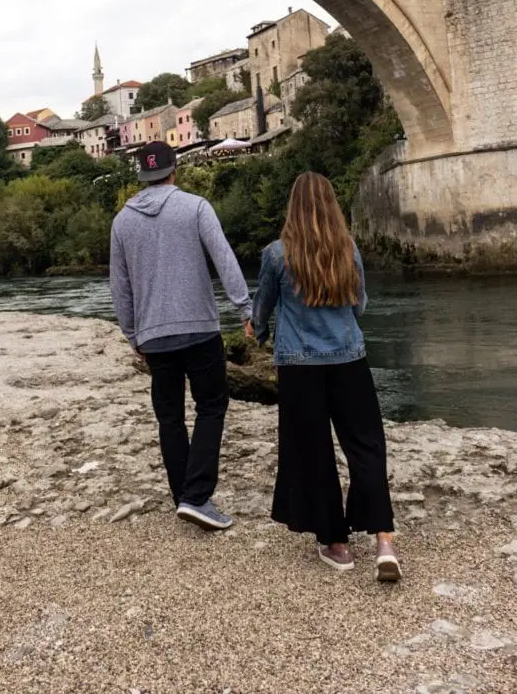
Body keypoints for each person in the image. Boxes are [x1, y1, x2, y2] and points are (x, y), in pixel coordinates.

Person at [248, 171, 401, 580]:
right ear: (333, 206)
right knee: (366, 447)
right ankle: (384, 539)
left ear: (293, 207)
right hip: (350, 360)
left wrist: (258, 331)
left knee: (313, 453)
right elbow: (359, 306)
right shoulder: (348, 248)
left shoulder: (277, 254)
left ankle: (337, 544)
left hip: (301, 369)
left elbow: (262, 308)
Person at [109, 140, 252, 532]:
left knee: (169, 416)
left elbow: (119, 287)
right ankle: (197, 496)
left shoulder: (122, 222)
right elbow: (225, 259)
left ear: (142, 176)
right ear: (175, 171)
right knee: (211, 406)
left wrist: (131, 333)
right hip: (200, 328)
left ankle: (184, 496)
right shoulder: (196, 207)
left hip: (154, 335)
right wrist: (246, 308)